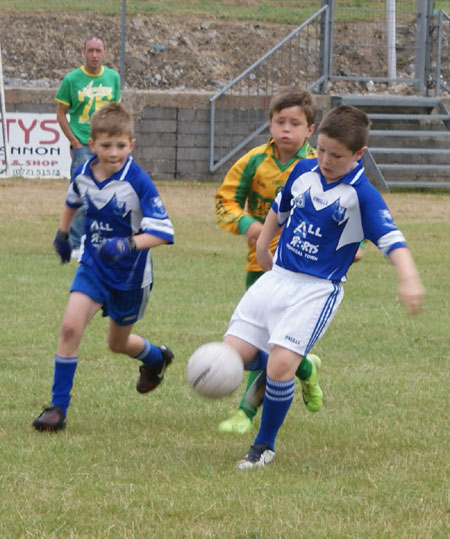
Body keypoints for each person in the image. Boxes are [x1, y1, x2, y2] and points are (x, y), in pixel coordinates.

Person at [219, 105, 424, 469]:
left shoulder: (363, 196)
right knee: (229, 356)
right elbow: (278, 210)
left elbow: (393, 242)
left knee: (280, 365)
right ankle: (302, 365)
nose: (325, 160)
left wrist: (408, 280)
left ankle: (263, 447)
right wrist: (264, 245)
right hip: (278, 277)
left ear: (359, 154)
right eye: (321, 150)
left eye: (337, 155)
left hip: (317, 289)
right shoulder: (302, 169)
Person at [33, 102, 174, 432]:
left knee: (117, 345)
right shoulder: (84, 173)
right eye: (106, 145)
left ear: (132, 145)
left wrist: (128, 243)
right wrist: (63, 234)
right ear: (92, 144)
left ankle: (156, 358)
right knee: (70, 328)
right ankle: (57, 408)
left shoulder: (138, 181)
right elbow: (73, 200)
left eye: (121, 145)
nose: (114, 152)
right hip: (93, 266)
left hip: (130, 277)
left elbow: (164, 231)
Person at [215, 88, 321, 435]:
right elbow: (225, 200)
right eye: (279, 122)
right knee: (259, 344)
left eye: (295, 123)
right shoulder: (253, 161)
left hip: (304, 276)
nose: (286, 129)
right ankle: (305, 369)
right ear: (270, 124)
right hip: (259, 268)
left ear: (310, 129)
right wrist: (249, 225)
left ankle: (246, 412)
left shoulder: (321, 167)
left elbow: (351, 209)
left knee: (278, 347)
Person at [55, 36, 121, 258]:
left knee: (111, 193)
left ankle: (103, 239)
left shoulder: (113, 78)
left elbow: (116, 111)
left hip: (107, 146)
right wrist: (74, 141)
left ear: (105, 53)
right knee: (82, 194)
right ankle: (74, 243)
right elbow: (61, 114)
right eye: (90, 50)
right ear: (83, 52)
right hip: (83, 144)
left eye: (98, 51)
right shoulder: (72, 79)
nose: (94, 55)